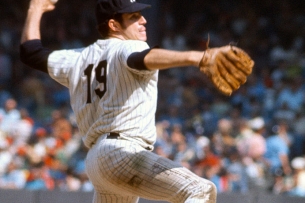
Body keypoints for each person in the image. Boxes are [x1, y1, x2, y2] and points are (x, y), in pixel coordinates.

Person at [20, 0, 253, 202]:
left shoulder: (76, 58)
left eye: (141, 14)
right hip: (122, 153)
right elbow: (143, 57)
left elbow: (31, 52)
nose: (143, 20)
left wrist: (35, 8)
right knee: (200, 190)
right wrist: (198, 57)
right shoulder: (129, 46)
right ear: (113, 25)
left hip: (97, 162)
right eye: (133, 17)